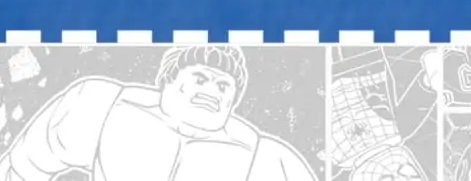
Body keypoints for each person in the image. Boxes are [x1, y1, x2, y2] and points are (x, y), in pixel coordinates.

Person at [1, 46, 314, 181]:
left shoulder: (265, 159)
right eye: (200, 78)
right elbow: (21, 170)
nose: (212, 91)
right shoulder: (102, 106)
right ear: (168, 80)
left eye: (224, 86)